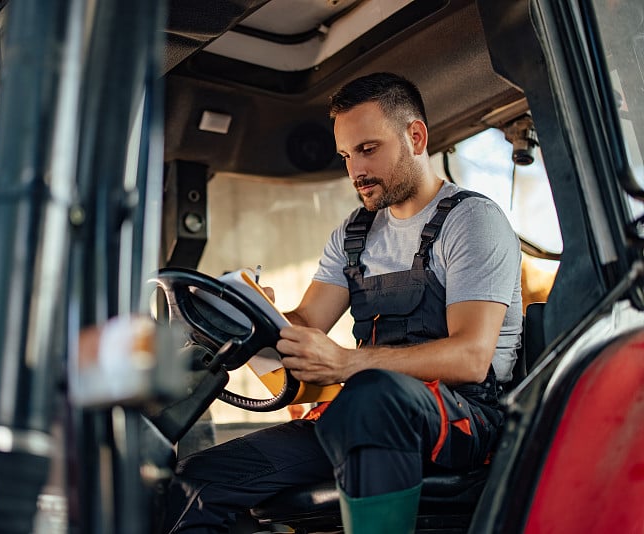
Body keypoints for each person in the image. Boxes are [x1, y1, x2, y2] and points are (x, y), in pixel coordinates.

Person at [162, 72, 523, 533]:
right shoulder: (354, 234)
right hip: (361, 417)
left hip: (464, 419)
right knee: (196, 482)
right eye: (347, 156)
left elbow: (472, 356)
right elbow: (307, 322)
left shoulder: (472, 221)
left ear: (415, 137)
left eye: (368, 149)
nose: (356, 171)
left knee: (371, 397)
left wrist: (346, 364)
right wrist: (255, 312)